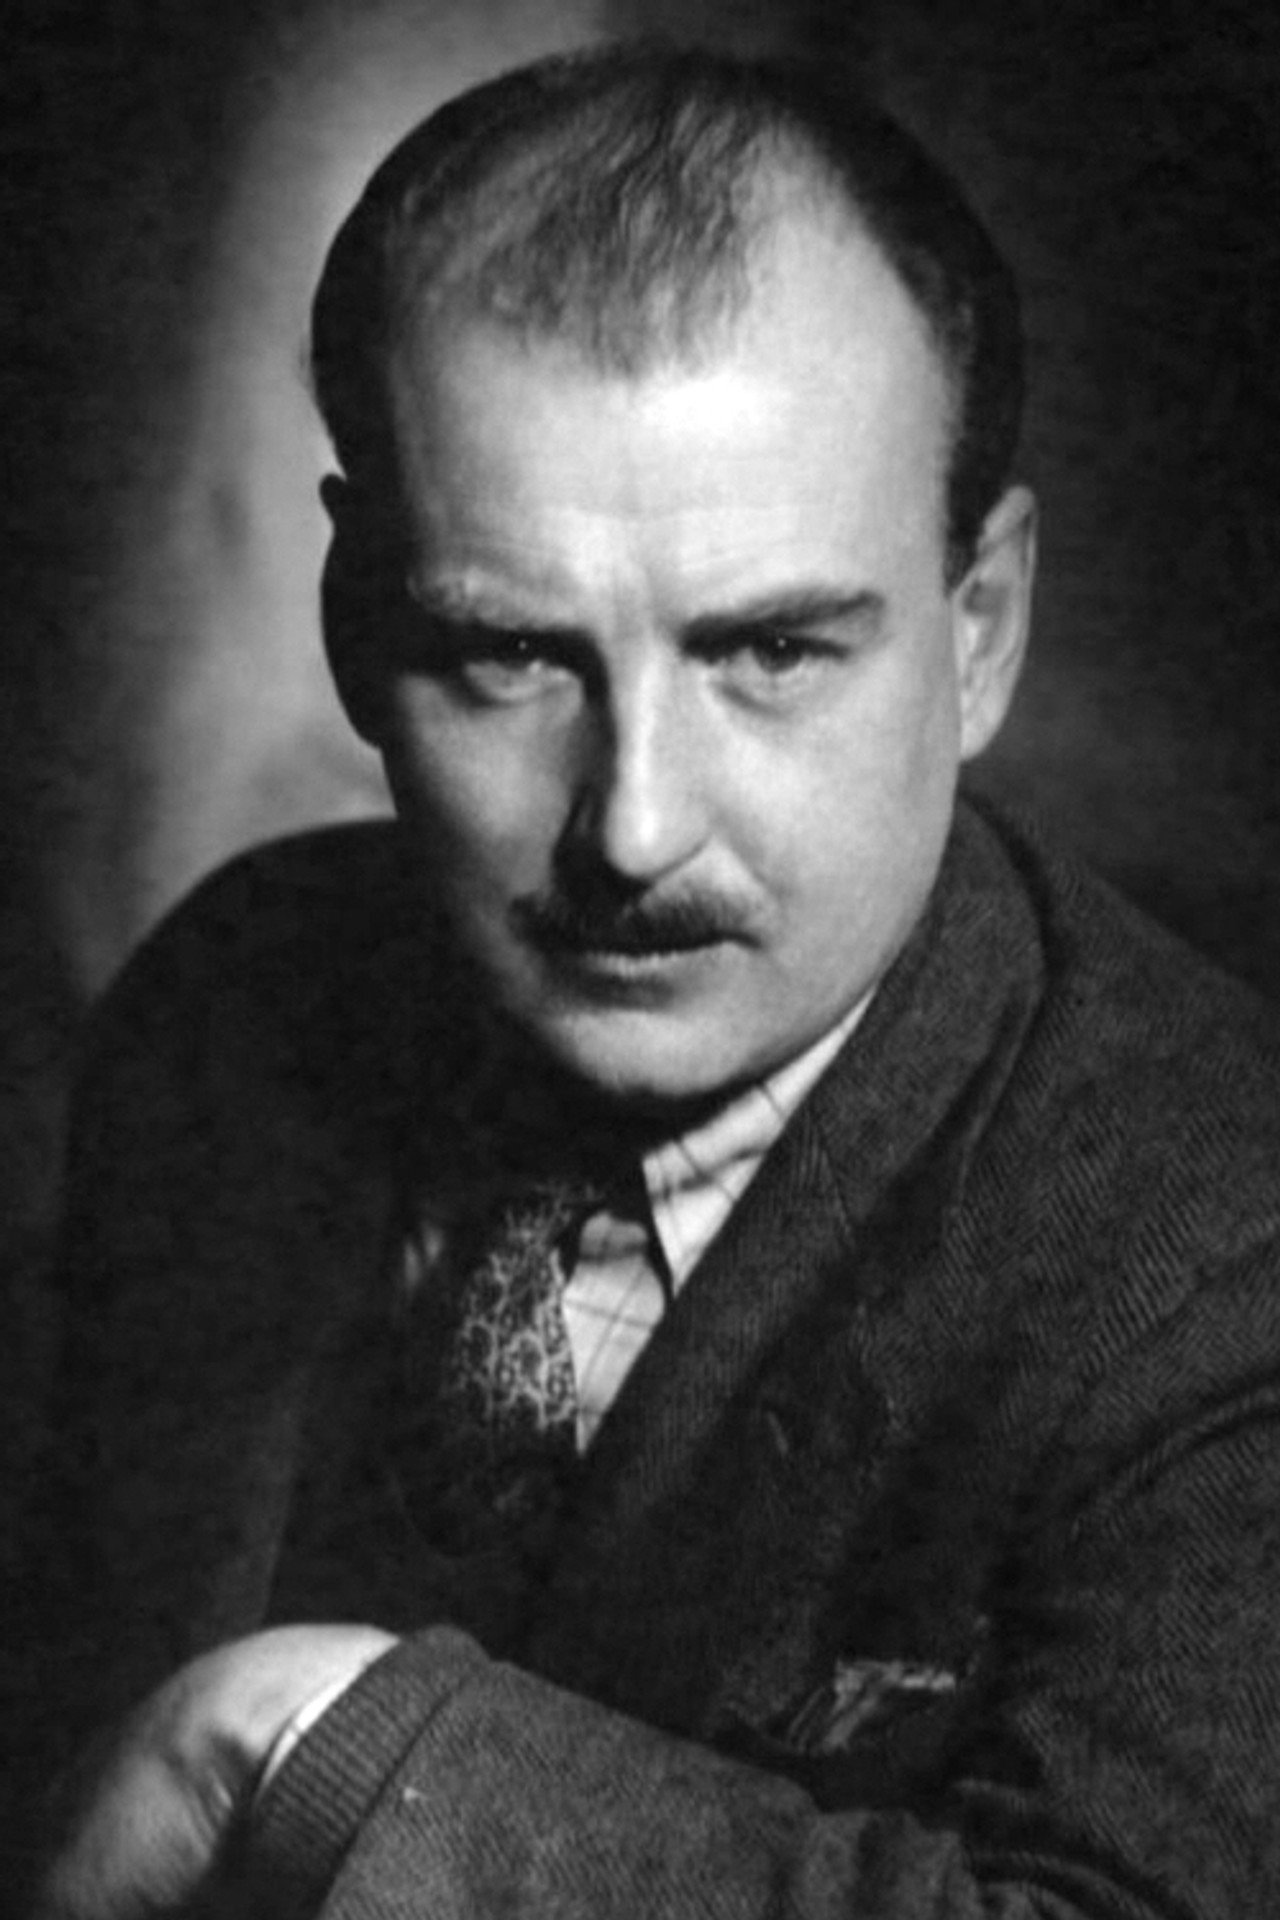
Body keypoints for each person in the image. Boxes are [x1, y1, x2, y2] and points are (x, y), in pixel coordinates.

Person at [19, 42, 1280, 1920]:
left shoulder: (1228, 1250)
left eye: (771, 652)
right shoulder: (227, 1007)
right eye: (509, 655)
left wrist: (304, 1750)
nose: (634, 827)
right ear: (355, 626)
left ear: (982, 629)